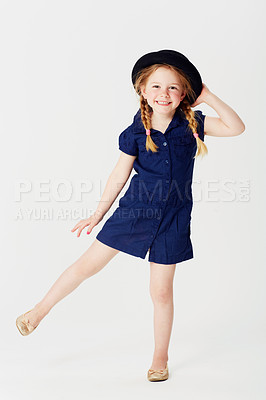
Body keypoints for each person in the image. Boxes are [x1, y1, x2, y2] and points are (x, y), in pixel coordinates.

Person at [16, 49, 245, 382]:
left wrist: (207, 95)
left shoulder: (193, 122)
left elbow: (236, 127)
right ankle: (37, 312)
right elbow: (119, 176)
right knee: (86, 266)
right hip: (134, 212)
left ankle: (160, 359)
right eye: (156, 86)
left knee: (161, 292)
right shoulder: (135, 131)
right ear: (142, 91)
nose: (163, 94)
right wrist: (97, 215)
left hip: (173, 220)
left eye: (172, 88)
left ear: (183, 94)